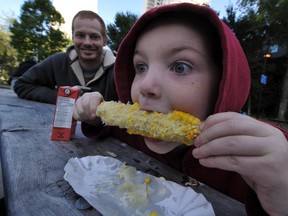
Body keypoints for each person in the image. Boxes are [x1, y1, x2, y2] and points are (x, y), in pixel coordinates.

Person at [73, 3, 288, 215]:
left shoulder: (267, 155)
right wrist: (93, 115)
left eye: (180, 67)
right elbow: (108, 130)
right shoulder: (133, 133)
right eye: (141, 67)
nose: (146, 86)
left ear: (223, 84)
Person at [13, 10, 118, 104]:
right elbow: (21, 85)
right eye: (80, 35)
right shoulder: (57, 62)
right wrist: (64, 98)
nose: (87, 42)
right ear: (73, 37)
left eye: (94, 37)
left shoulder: (120, 68)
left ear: (104, 40)